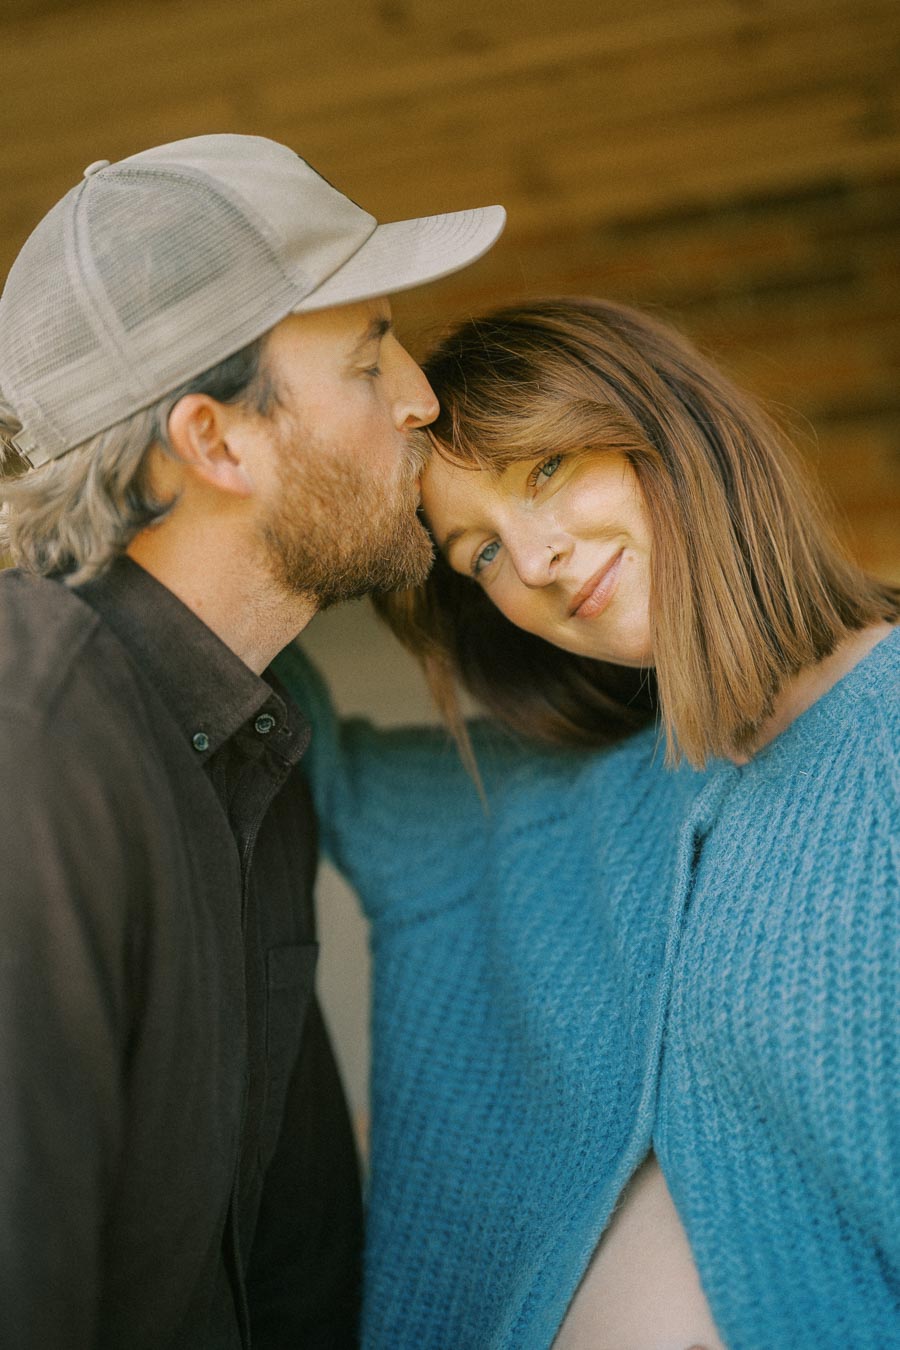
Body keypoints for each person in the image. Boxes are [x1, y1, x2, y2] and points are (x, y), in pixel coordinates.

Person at [275, 297, 899, 1348]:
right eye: (475, 554)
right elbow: (244, 694)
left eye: (547, 472)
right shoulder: (548, 801)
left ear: (665, 420)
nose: (533, 559)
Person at [0, 132, 504, 1349]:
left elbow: (294, 1258)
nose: (422, 399)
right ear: (216, 440)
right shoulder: (33, 741)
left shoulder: (259, 733)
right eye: (369, 357)